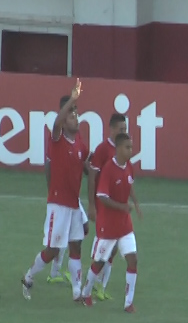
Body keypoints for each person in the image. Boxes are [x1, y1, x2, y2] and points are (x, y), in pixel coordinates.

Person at [22, 79, 88, 301]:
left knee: (76, 245)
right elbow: (57, 122)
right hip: (58, 204)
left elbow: (87, 166)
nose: (75, 117)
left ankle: (77, 292)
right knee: (52, 250)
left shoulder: (79, 141)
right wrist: (72, 99)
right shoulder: (57, 139)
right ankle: (29, 276)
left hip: (73, 203)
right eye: (71, 114)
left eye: (77, 114)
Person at [81, 133, 142, 312]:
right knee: (99, 262)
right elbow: (102, 197)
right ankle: (85, 294)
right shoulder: (108, 169)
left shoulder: (129, 167)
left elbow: (129, 184)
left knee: (133, 260)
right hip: (108, 226)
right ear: (118, 148)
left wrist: (136, 204)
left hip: (125, 226)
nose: (130, 151)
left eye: (131, 147)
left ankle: (128, 303)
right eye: (127, 147)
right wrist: (122, 206)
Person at [85, 113, 128, 300]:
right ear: (111, 129)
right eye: (121, 129)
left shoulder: (122, 150)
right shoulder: (103, 150)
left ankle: (101, 287)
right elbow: (92, 177)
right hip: (104, 205)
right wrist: (92, 205)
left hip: (116, 206)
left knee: (115, 246)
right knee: (105, 246)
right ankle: (92, 285)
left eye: (125, 129)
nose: (124, 132)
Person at [44, 115, 90, 286]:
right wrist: (52, 192)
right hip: (60, 200)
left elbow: (85, 161)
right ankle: (50, 272)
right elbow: (48, 165)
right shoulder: (57, 139)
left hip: (73, 199)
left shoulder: (77, 137)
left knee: (78, 236)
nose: (77, 120)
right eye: (72, 117)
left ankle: (73, 285)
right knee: (57, 244)